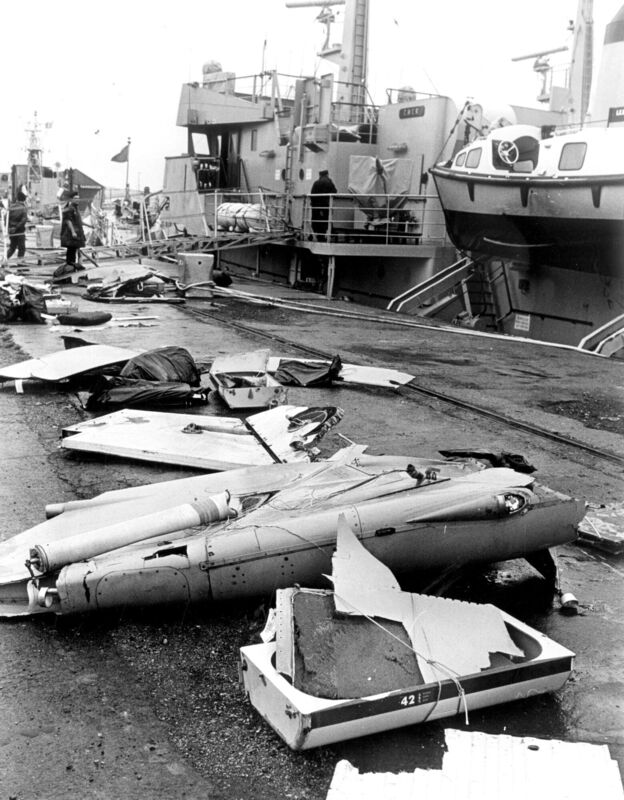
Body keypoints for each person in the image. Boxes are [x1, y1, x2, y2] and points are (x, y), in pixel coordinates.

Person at [55, 188, 85, 276]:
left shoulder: (75, 209)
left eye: (78, 198)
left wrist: (90, 225)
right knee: (71, 254)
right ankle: (69, 272)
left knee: (74, 253)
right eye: (75, 198)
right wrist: (73, 232)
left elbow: (79, 221)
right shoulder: (70, 208)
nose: (77, 200)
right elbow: (68, 221)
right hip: (71, 237)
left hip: (76, 236)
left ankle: (73, 270)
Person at [310, 169, 337, 242]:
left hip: (316, 207)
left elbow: (312, 195)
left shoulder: (316, 183)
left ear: (320, 175)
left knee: (317, 222)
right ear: (327, 174)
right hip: (326, 206)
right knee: (326, 221)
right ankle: (327, 236)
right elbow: (334, 192)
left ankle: (318, 236)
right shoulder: (329, 182)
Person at [6, 187, 29, 267]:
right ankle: (20, 264)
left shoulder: (11, 207)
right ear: (24, 200)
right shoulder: (23, 208)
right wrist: (16, 227)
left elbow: (6, 218)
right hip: (19, 231)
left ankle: (3, 261)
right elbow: (23, 220)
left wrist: (9, 228)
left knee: (12, 247)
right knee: (21, 248)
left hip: (11, 231)